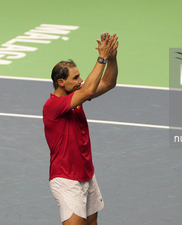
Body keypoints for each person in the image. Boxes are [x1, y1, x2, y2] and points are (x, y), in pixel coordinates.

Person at [42, 33, 119, 225]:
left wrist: (112, 58)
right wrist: (101, 58)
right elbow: (89, 90)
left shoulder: (75, 97)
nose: (80, 80)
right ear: (61, 82)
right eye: (76, 78)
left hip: (87, 174)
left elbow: (109, 83)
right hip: (67, 180)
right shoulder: (53, 106)